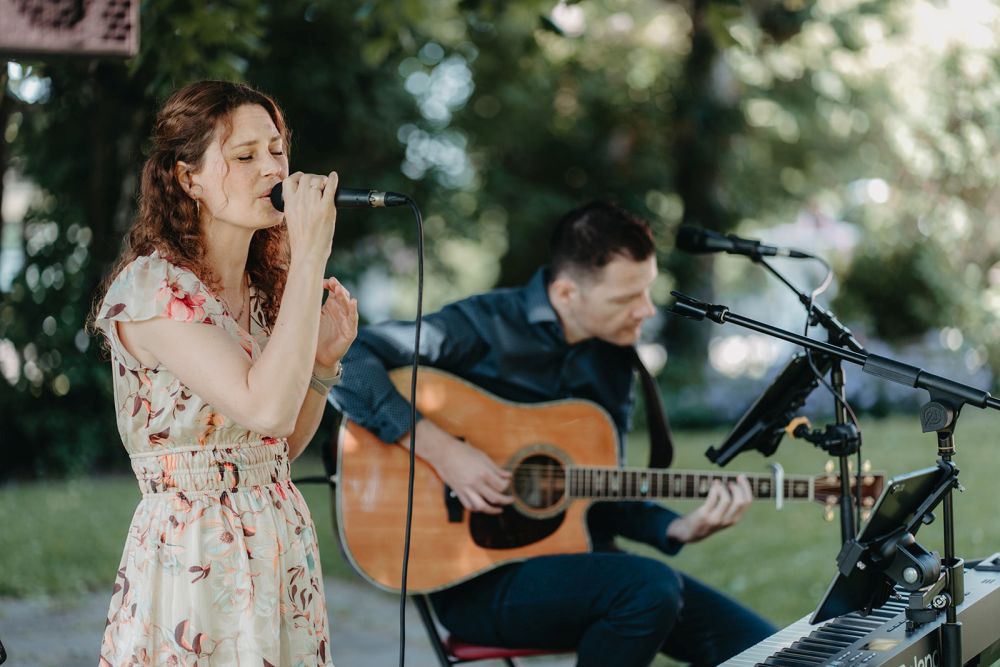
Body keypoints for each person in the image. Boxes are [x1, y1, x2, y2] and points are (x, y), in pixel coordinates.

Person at [329, 201, 776, 667]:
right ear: (566, 294)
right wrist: (443, 451)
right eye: (627, 298)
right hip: (477, 580)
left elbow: (600, 486)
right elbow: (351, 358)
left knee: (769, 651)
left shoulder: (613, 361)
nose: (646, 310)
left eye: (647, 291)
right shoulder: (484, 325)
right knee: (647, 589)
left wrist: (677, 526)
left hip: (582, 564)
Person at [89, 80, 358, 666]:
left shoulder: (267, 294)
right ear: (189, 180)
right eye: (244, 156)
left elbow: (276, 443)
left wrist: (321, 364)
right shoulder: (153, 289)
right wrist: (311, 254)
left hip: (278, 545)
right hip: (195, 553)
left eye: (277, 150)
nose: (272, 170)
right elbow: (263, 406)